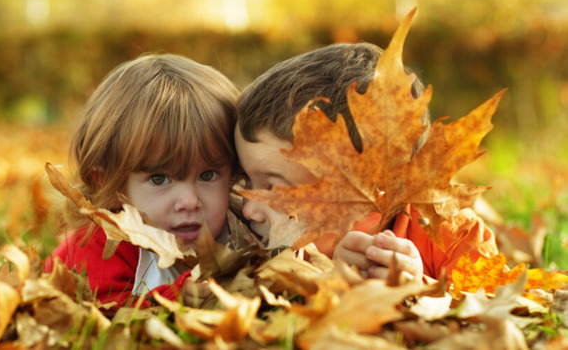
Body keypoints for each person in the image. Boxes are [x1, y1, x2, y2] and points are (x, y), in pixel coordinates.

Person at [235, 42, 498, 283]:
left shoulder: (454, 235)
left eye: (273, 189)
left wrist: (420, 289)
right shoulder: (243, 239)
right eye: (246, 181)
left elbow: (498, 304)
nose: (249, 209)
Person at [44, 53, 240, 306]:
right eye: (159, 179)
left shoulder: (239, 231)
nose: (189, 202)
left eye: (208, 175)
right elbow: (105, 318)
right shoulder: (96, 250)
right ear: (109, 184)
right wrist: (175, 299)